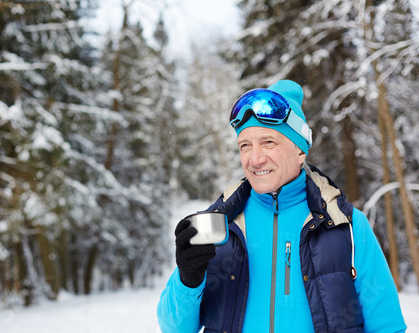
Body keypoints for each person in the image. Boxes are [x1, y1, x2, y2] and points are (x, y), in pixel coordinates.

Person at [157, 80, 407, 333]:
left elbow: (388, 326)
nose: (255, 159)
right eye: (245, 145)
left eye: (269, 142)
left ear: (300, 151)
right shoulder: (221, 225)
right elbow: (173, 328)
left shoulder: (347, 226)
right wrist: (188, 280)